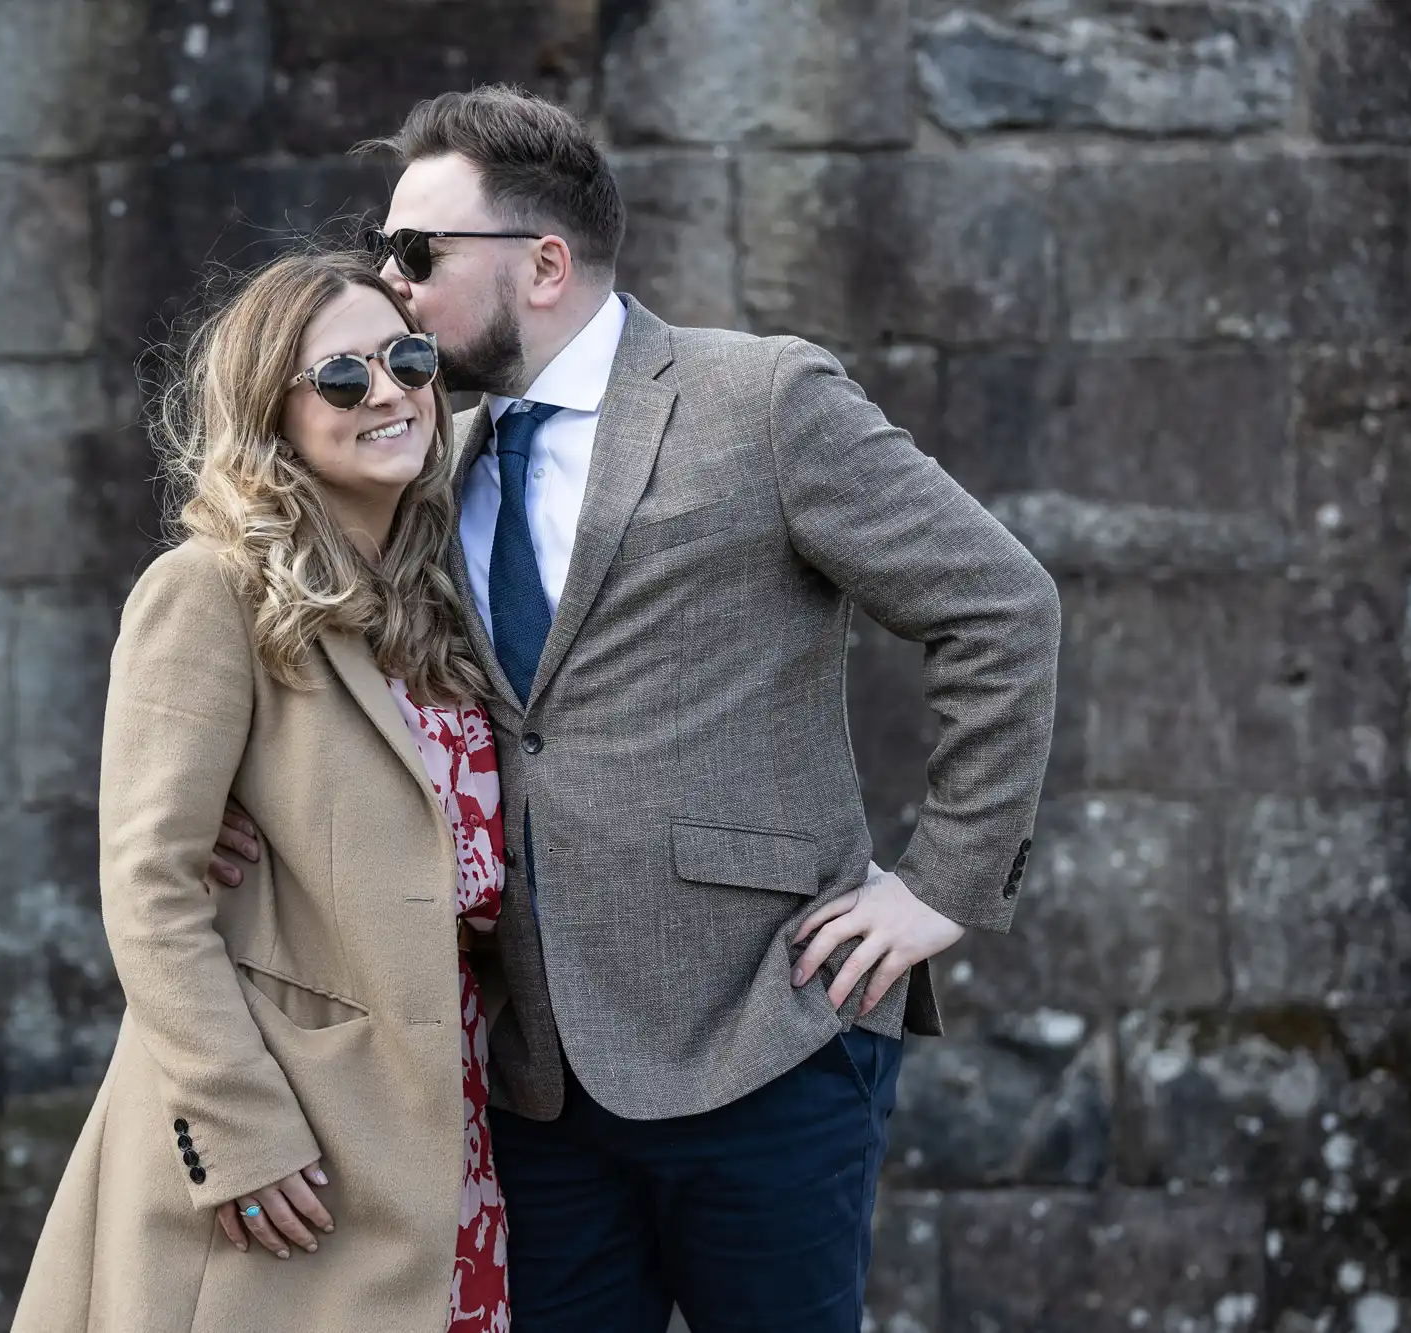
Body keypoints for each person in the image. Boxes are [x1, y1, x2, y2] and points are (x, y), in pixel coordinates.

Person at [208, 86, 1063, 1332]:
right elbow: (352, 676)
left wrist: (942, 882)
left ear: (542, 262)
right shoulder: (420, 458)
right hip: (531, 1074)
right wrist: (246, 810)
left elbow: (999, 605)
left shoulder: (759, 401)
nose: (391, 287)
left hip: (763, 1036)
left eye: (417, 254)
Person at [12, 251, 513, 1333]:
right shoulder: (205, 590)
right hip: (287, 1147)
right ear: (271, 414)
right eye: (338, 379)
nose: (385, 392)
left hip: (448, 1119)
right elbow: (149, 884)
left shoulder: (433, 591)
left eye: (407, 357)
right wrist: (236, 1129)